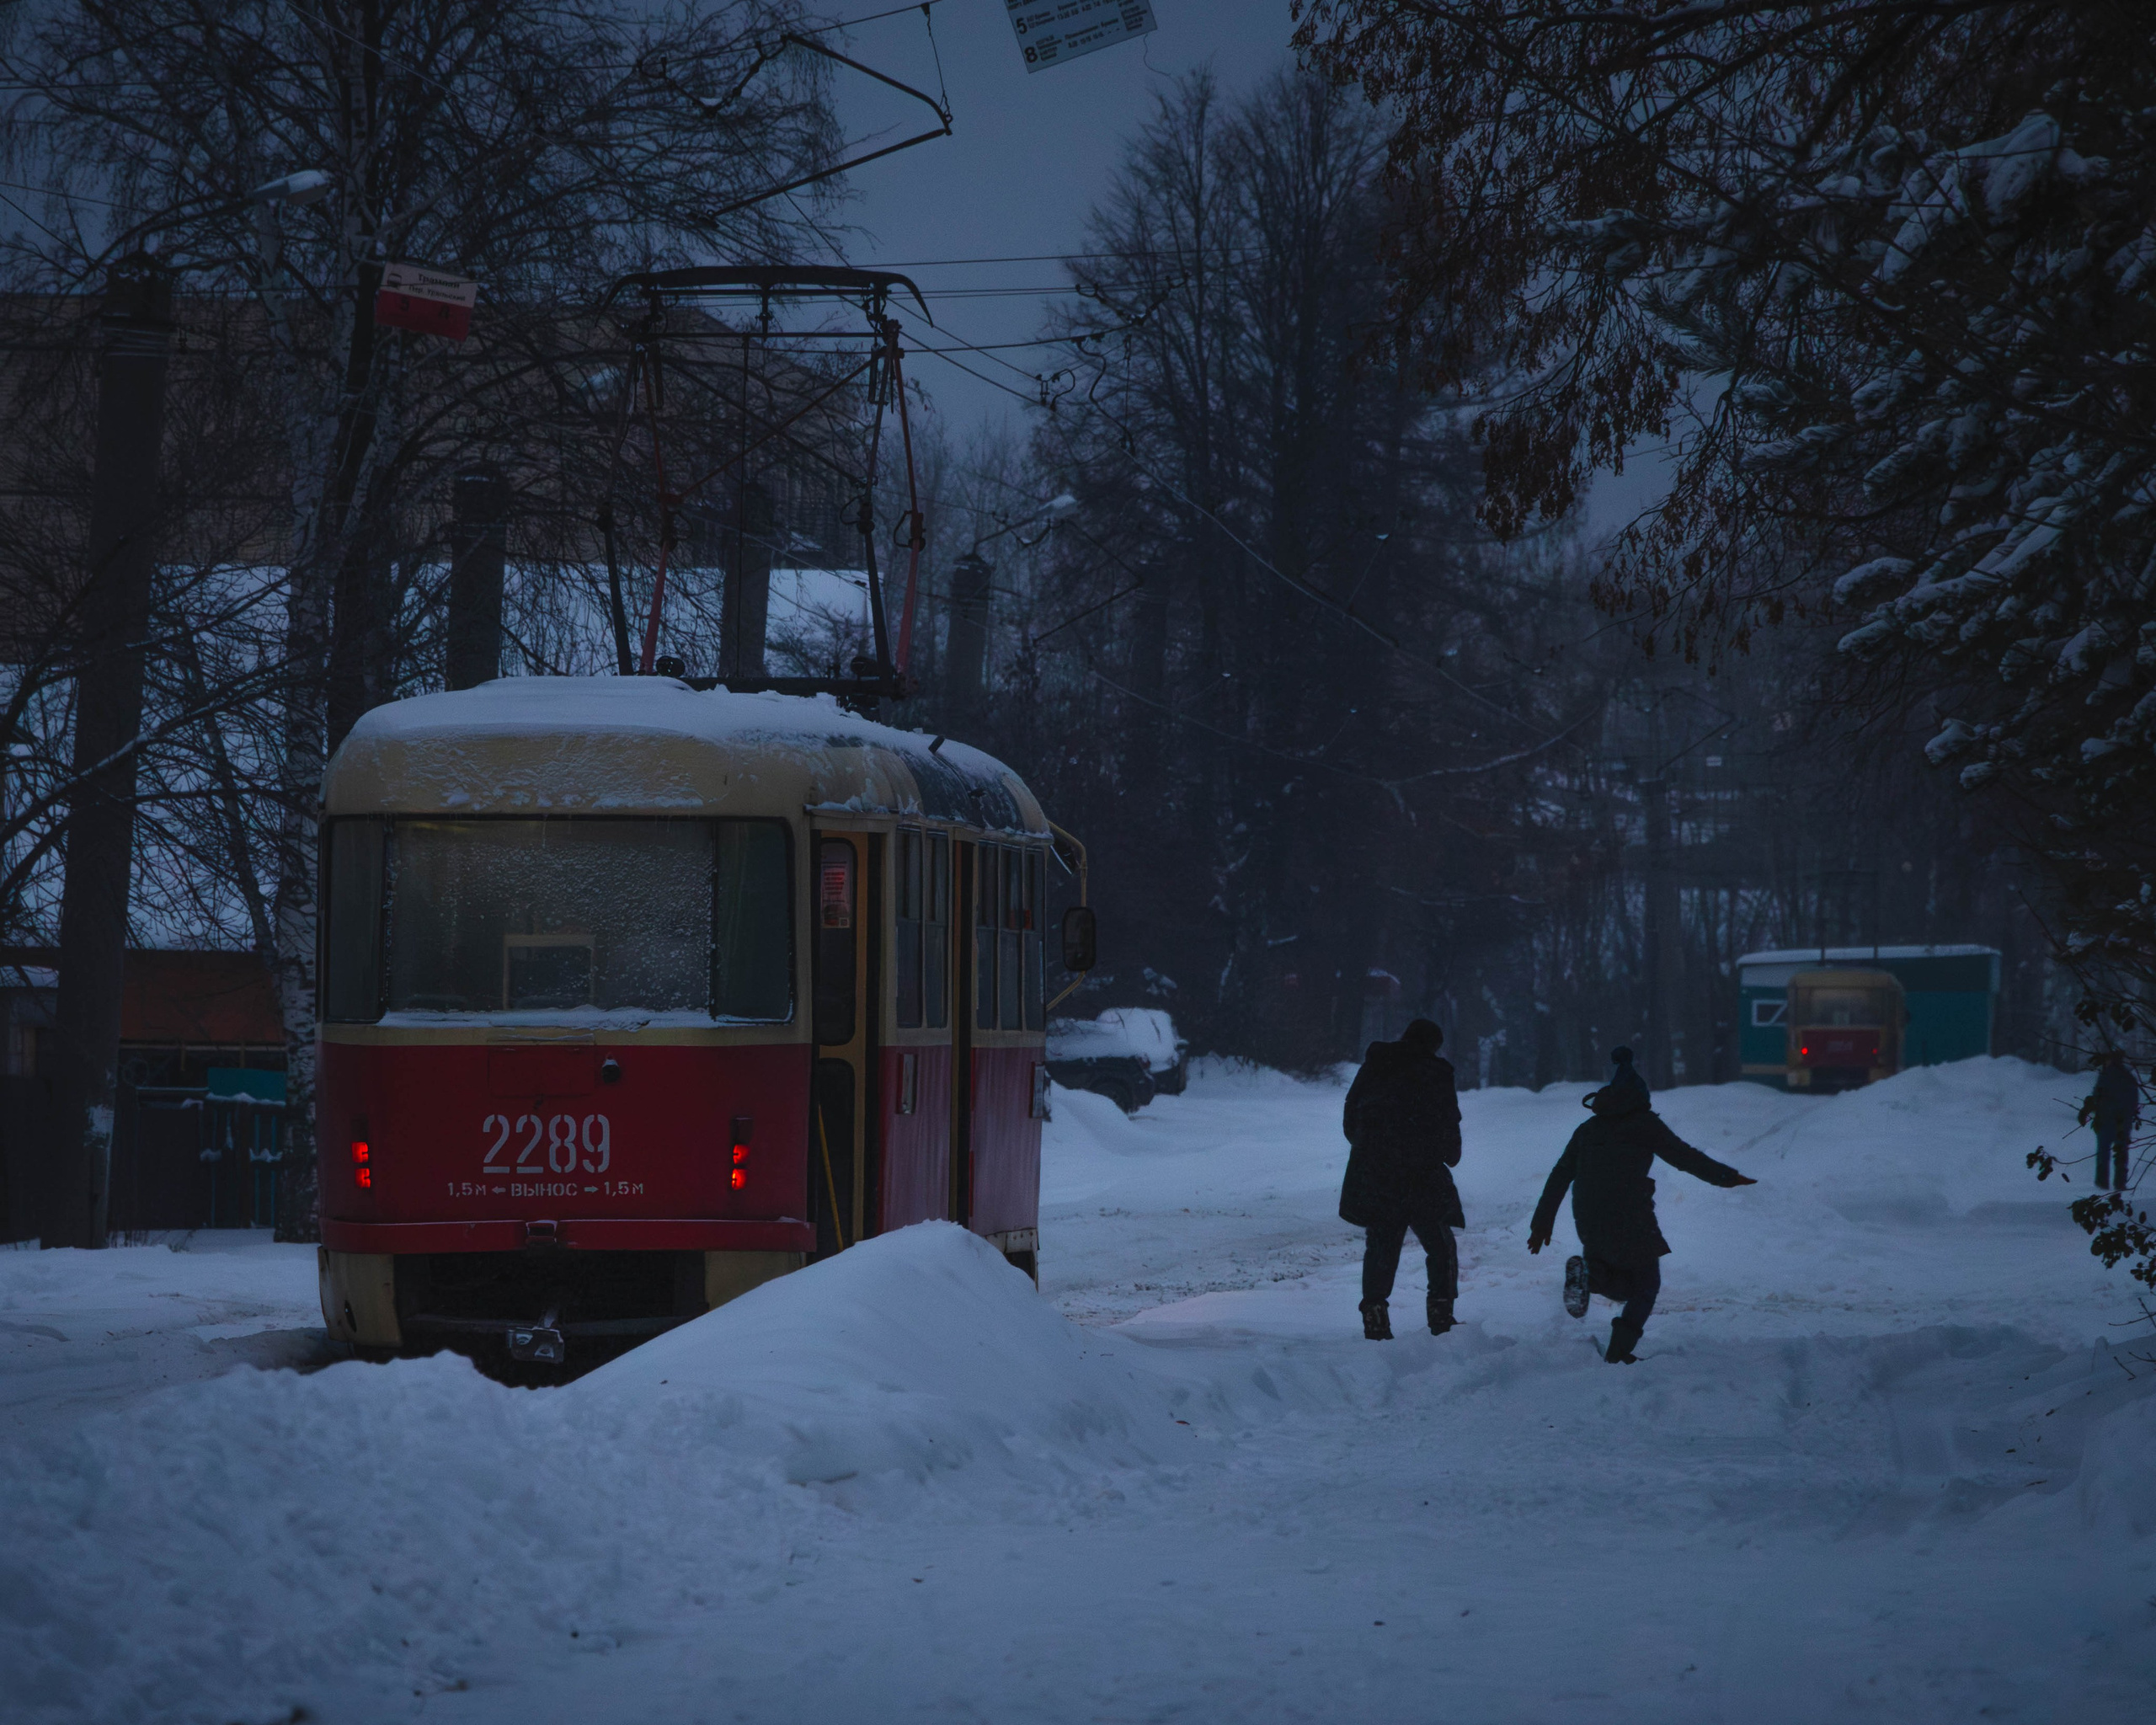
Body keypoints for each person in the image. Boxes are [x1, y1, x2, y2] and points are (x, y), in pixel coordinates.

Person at [1526, 1081, 1756, 1364]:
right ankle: (1619, 1351)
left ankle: (1589, 1276)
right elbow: (1684, 1156)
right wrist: (1726, 1177)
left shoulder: (1588, 1128)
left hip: (1588, 1215)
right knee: (1646, 1284)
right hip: (1629, 1214)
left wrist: (1542, 1222)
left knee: (1619, 1279)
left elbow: (1560, 1174)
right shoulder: (1644, 1124)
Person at [1339, 1017, 1463, 1341]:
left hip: (1378, 1175)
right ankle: (1441, 1315)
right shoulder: (1437, 1073)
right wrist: (1444, 1153)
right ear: (1433, 1045)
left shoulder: (1376, 1065)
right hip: (1422, 1176)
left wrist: (1373, 1151)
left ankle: (1375, 1317)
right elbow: (1450, 1129)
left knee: (1381, 1246)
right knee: (1440, 1245)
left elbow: (1351, 1116)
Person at [2079, 1050, 2141, 1192]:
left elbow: (2097, 1096)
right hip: (2123, 1122)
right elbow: (2134, 1100)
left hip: (2106, 1120)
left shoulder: (2106, 1076)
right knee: (2121, 1153)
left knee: (2103, 1153)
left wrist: (2089, 1110)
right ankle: (2120, 1183)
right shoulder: (2129, 1077)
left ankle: (2102, 1185)